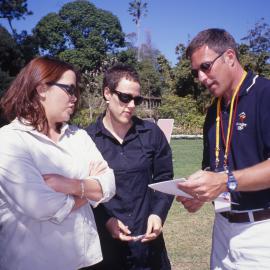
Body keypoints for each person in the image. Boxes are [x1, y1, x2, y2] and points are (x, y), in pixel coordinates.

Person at [0, 56, 116, 270]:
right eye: (69, 89)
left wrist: (71, 185)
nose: (75, 98)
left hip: (87, 260)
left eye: (76, 91)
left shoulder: (78, 136)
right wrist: (90, 191)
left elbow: (110, 183)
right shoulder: (9, 141)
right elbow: (41, 205)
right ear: (42, 88)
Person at [176, 28, 270, 269]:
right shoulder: (214, 110)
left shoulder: (265, 94)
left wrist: (224, 181)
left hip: (261, 232)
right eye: (196, 72)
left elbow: (225, 177)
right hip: (222, 228)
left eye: (205, 67)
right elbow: (214, 167)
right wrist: (200, 192)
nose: (201, 78)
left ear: (229, 56)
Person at [85, 63, 174, 270]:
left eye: (137, 99)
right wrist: (106, 221)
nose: (132, 105)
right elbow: (83, 192)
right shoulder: (87, 139)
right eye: (125, 97)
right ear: (107, 93)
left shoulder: (152, 133)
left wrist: (157, 214)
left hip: (148, 246)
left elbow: (164, 180)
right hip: (105, 249)